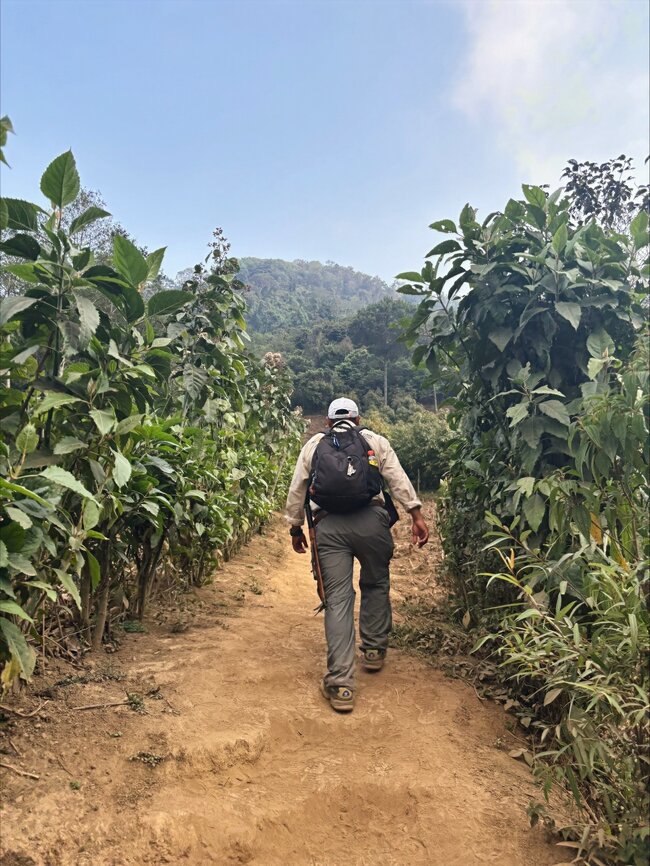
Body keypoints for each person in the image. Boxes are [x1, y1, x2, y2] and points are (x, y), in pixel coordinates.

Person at [285, 397, 429, 712]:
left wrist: (295, 527)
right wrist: (416, 514)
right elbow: (397, 478)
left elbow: (298, 488)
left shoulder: (314, 445)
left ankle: (341, 685)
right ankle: (375, 651)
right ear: (358, 419)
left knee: (338, 599)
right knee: (375, 583)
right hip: (372, 522)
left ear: (327, 422)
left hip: (328, 527)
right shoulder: (374, 441)